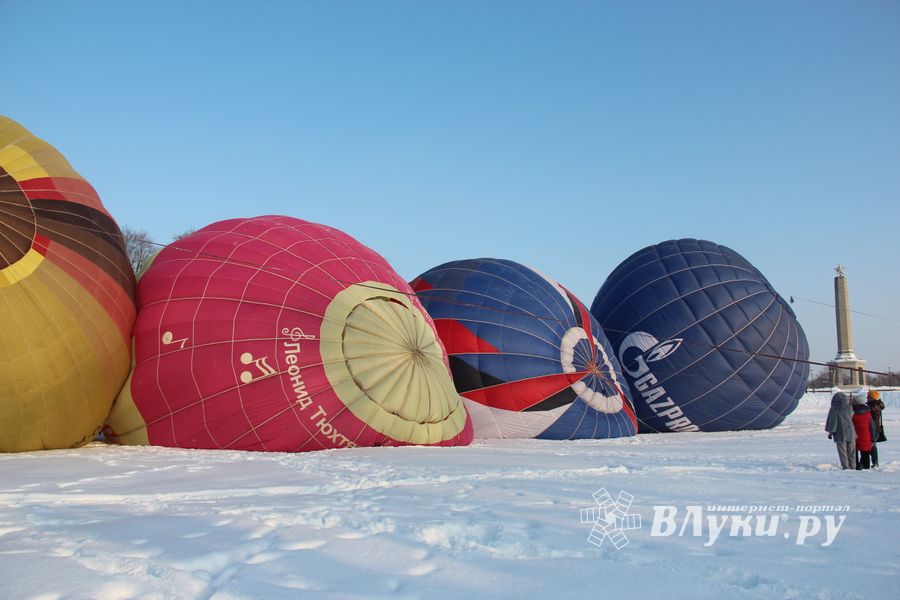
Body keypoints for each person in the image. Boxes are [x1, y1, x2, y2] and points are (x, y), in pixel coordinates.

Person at [825, 392, 856, 470]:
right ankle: (853, 466)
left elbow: (833, 422)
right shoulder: (850, 408)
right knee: (851, 452)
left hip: (840, 433)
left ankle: (846, 467)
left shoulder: (834, 409)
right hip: (851, 432)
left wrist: (830, 432)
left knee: (843, 452)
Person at [852, 397, 877, 469]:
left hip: (854, 437)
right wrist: (873, 438)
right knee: (865, 454)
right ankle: (866, 468)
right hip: (866, 436)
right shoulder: (868, 414)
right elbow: (872, 427)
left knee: (854, 453)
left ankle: (856, 466)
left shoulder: (851, 413)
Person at [867, 390, 886, 468]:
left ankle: (875, 463)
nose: (867, 397)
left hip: (872, 429)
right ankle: (874, 462)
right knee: (872, 445)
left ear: (871, 397)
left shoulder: (872, 406)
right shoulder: (878, 405)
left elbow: (871, 420)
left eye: (868, 396)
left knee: (871, 446)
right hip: (876, 429)